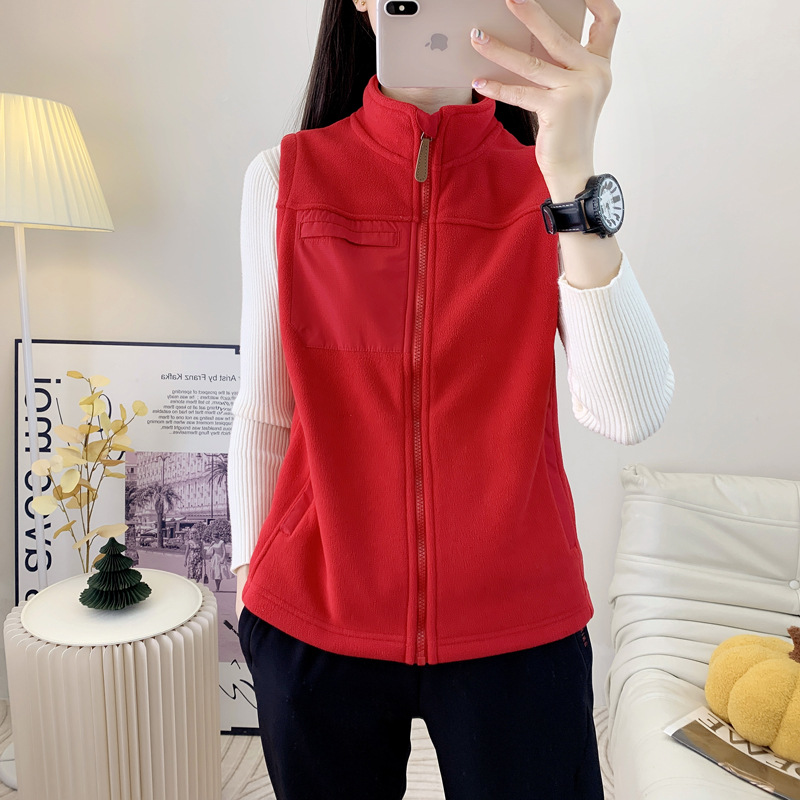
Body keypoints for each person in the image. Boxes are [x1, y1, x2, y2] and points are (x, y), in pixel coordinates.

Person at [229, 0, 673, 797]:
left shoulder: (549, 187)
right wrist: (248, 579)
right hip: (316, 624)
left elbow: (628, 411)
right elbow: (264, 415)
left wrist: (571, 172)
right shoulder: (284, 177)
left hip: (520, 627)